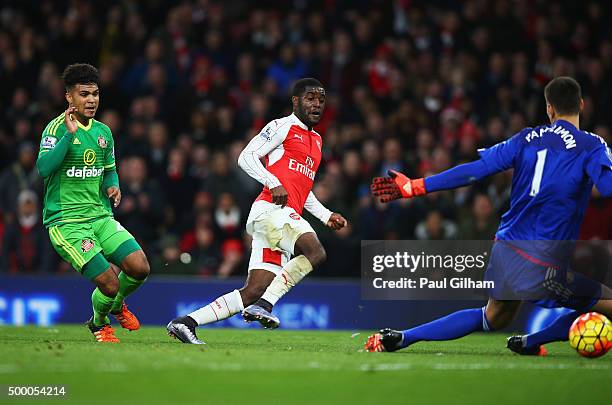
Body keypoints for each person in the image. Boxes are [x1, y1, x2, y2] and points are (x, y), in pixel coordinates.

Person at [366, 77, 612, 355]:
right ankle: (533, 340)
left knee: (493, 317)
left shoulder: (525, 138)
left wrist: (415, 186)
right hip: (541, 262)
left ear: (549, 109)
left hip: (506, 249)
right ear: (581, 105)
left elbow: (475, 170)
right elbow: (607, 187)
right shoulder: (592, 145)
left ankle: (401, 336)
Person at [167, 78, 347, 344]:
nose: (317, 104)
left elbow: (302, 188)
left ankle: (185, 323)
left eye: (321, 100)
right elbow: (245, 157)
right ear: (295, 101)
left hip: (280, 220)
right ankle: (265, 306)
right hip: (272, 211)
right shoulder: (281, 126)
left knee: (253, 290)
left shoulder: (318, 141)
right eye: (310, 98)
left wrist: (324, 215)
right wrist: (272, 182)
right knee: (315, 252)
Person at [36, 63, 150, 343]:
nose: (91, 100)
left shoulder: (103, 132)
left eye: (95, 94)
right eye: (84, 94)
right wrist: (68, 136)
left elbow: (108, 167)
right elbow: (44, 168)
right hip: (67, 223)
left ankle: (115, 305)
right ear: (69, 98)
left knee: (139, 267)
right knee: (109, 282)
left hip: (100, 216)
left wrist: (114, 184)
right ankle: (99, 324)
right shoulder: (55, 130)